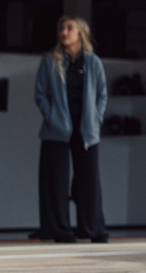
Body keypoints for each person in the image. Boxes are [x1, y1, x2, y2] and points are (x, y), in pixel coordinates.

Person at [34, 16, 109, 242]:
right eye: (61, 28)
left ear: (81, 34)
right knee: (55, 182)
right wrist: (52, 117)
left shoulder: (93, 63)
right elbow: (40, 94)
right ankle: (59, 230)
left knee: (89, 182)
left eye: (69, 28)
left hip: (86, 130)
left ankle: (92, 229)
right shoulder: (50, 62)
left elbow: (102, 95)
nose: (64, 32)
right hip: (57, 129)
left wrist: (95, 119)